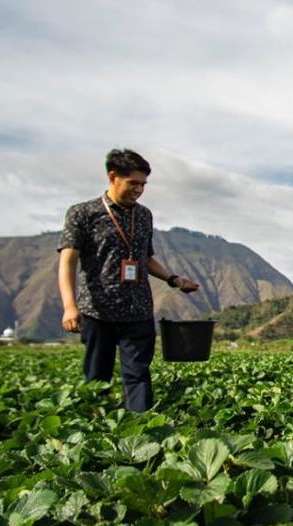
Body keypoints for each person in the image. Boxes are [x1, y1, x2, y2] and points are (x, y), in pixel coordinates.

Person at [57, 148, 199, 411]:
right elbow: (68, 261)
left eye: (143, 184)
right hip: (98, 311)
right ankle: (93, 425)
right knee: (97, 377)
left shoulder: (143, 216)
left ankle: (141, 426)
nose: (139, 190)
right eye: (133, 183)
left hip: (138, 310)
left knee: (138, 375)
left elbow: (145, 259)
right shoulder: (83, 213)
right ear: (113, 177)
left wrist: (174, 279)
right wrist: (69, 306)